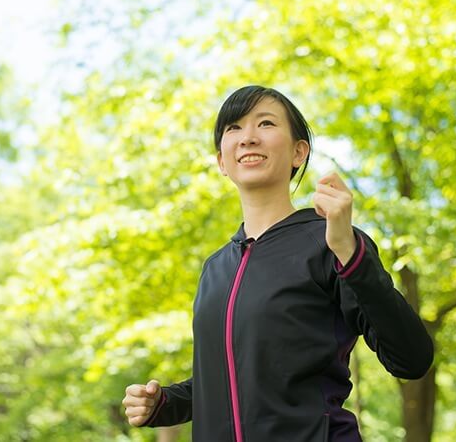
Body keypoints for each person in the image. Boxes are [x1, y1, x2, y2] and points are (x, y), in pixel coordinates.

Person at [122, 86, 433, 441]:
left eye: (266, 124)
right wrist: (164, 403)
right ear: (222, 161)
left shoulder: (332, 241)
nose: (248, 138)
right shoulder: (215, 269)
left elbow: (412, 358)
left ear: (299, 152)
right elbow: (232, 382)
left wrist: (349, 253)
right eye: (234, 128)